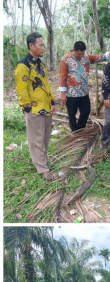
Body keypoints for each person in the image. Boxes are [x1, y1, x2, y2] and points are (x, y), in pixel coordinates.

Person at [15, 32, 56, 180]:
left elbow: (45, 84)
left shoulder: (40, 64)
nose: (43, 47)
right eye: (41, 45)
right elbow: (21, 88)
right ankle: (42, 168)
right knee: (36, 139)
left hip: (46, 106)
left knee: (45, 138)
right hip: (34, 108)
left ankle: (43, 161)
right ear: (31, 46)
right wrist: (26, 108)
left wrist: (52, 101)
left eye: (43, 45)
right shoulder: (23, 65)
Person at [59, 41, 110, 131]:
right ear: (74, 50)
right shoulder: (66, 59)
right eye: (79, 54)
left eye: (82, 54)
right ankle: (74, 131)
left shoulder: (86, 57)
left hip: (84, 92)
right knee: (72, 114)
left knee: (86, 111)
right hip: (71, 93)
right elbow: (62, 76)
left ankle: (80, 128)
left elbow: (101, 57)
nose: (81, 56)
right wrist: (62, 93)